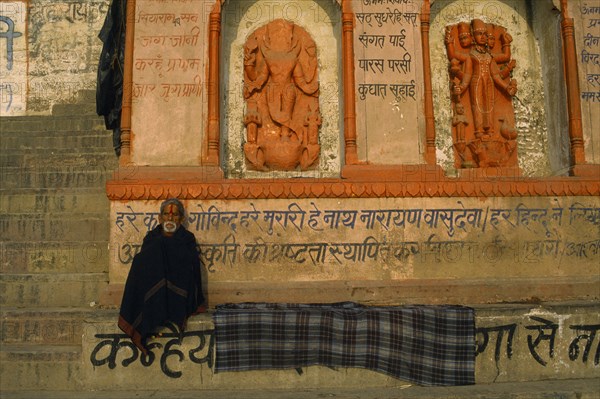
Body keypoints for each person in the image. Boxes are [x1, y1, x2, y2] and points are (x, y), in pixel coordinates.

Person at [118, 198, 206, 354]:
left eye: (175, 215)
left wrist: (168, 249)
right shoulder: (151, 238)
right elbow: (143, 267)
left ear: (182, 219)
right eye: (166, 215)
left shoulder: (187, 239)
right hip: (154, 292)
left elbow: (190, 266)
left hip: (179, 291)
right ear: (160, 218)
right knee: (141, 259)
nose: (170, 218)